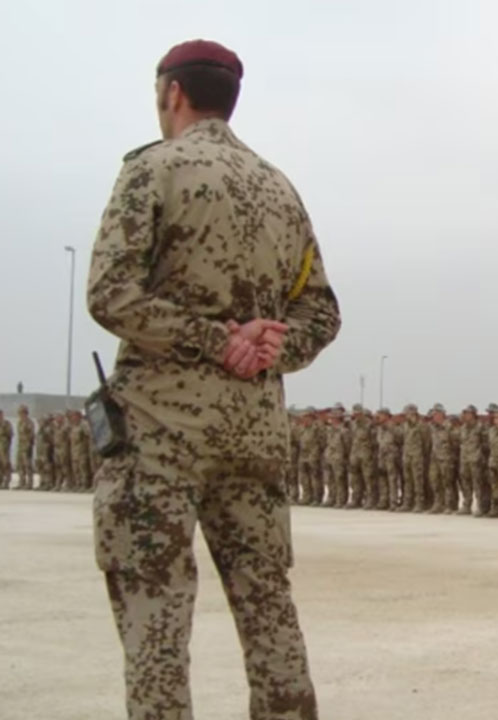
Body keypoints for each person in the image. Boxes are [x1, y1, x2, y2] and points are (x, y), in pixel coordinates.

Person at [86, 39, 340, 719]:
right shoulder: (279, 189)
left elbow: (111, 293)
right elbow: (321, 311)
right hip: (252, 435)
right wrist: (270, 348)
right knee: (268, 612)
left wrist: (214, 340)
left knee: (156, 623)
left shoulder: (154, 170)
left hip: (160, 434)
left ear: (172, 92)